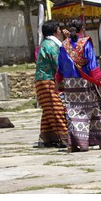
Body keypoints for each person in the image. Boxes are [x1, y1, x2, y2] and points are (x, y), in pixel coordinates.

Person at [56, 19, 101, 152]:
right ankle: (99, 142)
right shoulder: (85, 43)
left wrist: (57, 83)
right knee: (92, 111)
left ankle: (75, 144)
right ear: (82, 29)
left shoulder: (63, 45)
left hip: (70, 84)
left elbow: (60, 68)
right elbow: (92, 64)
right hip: (85, 83)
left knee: (73, 113)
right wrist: (100, 82)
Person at [34, 20, 68, 148]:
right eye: (59, 29)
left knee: (49, 110)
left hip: (43, 81)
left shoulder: (46, 44)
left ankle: (48, 138)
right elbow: (58, 65)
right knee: (57, 110)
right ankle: (65, 138)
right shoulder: (52, 46)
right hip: (47, 81)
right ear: (55, 31)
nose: (60, 31)